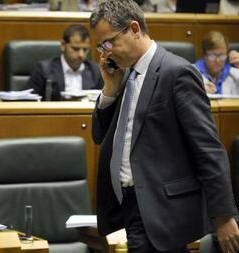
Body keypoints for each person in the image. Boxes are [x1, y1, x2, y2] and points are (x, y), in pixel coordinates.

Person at [90, 0, 239, 253]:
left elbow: (208, 148)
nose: (105, 53)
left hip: (160, 209)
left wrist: (224, 216)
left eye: (109, 42)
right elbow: (100, 136)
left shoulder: (176, 72)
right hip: (128, 206)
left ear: (134, 29)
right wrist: (110, 91)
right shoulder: (123, 73)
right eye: (100, 45)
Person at [28, 24, 103, 101]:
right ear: (63, 45)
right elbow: (30, 102)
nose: (81, 55)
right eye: (75, 49)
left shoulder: (96, 71)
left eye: (85, 49)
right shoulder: (44, 69)